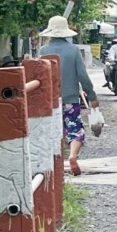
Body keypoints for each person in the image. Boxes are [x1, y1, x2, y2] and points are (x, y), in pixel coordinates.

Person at [38, 15, 98, 176]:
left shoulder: (43, 51)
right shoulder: (73, 50)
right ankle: (72, 156)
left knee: (52, 131)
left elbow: (39, 77)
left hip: (49, 100)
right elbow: (83, 76)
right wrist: (92, 96)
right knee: (75, 129)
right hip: (70, 99)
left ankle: (53, 165)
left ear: (50, 32)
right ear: (66, 32)